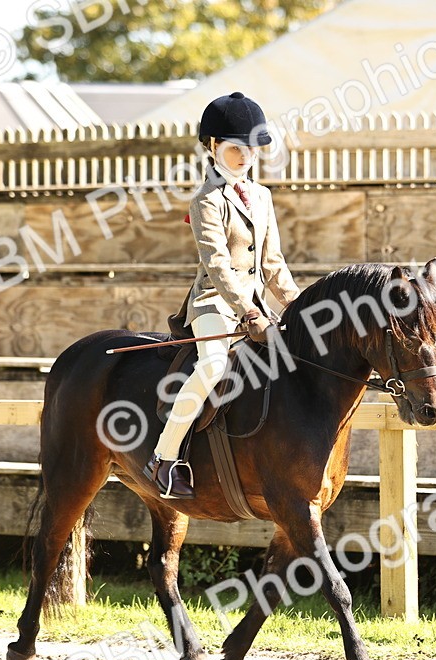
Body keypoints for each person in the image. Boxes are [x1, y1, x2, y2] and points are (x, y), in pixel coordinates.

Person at [143, 92, 301, 499]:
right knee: (213, 367)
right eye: (235, 148)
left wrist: (299, 308)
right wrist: (247, 310)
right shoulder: (206, 200)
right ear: (213, 147)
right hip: (215, 303)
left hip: (258, 308)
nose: (246, 155)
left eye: (251, 148)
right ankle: (163, 458)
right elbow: (218, 266)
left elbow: (274, 264)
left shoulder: (262, 197)